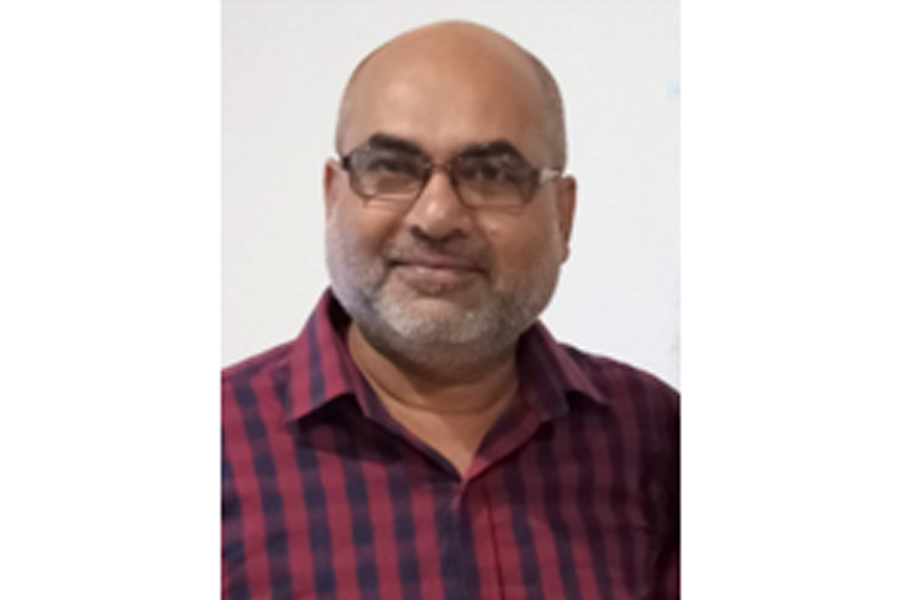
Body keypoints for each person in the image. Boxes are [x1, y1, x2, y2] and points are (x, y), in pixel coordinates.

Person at [222, 20, 679, 600]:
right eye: (390, 167)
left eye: (492, 174)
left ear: (562, 217)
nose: (436, 217)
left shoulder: (657, 440)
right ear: (332, 196)